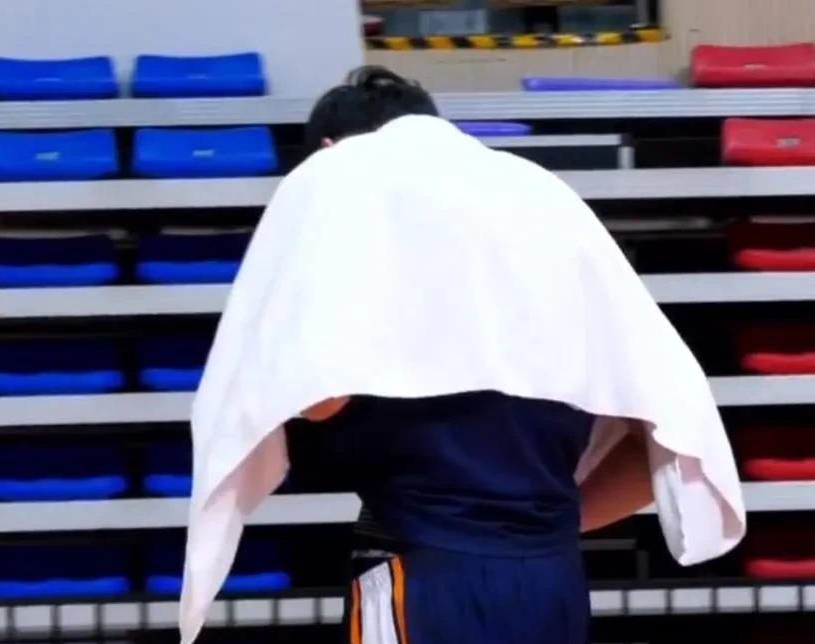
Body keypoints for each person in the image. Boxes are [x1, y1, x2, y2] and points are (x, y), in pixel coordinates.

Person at [180, 66, 745, 644]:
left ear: (330, 151)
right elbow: (667, 430)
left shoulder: (341, 185)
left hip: (423, 565)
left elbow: (322, 396)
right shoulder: (540, 197)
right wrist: (535, 530)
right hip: (550, 573)